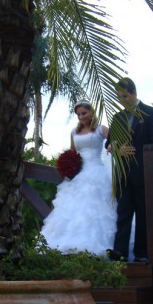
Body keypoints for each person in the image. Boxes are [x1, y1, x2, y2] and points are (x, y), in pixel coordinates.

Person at [40, 100, 117, 256]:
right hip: (79, 173)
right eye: (78, 114)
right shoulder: (74, 132)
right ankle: (67, 244)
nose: (81, 117)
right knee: (71, 209)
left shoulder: (101, 129)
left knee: (94, 207)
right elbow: (72, 152)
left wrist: (112, 146)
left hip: (97, 171)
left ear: (91, 112)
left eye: (84, 113)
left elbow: (115, 141)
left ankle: (96, 246)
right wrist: (68, 166)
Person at [105, 77, 153, 263]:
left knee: (143, 214)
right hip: (123, 174)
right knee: (123, 212)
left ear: (133, 93)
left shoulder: (151, 113)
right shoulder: (117, 118)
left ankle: (142, 253)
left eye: (124, 96)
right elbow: (108, 144)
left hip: (145, 172)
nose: (121, 100)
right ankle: (120, 252)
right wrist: (117, 149)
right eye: (118, 97)